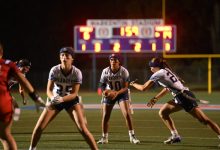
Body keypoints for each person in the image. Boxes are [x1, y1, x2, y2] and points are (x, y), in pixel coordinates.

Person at [130, 57, 220, 145]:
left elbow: (143, 88)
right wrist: (156, 98)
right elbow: (167, 89)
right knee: (163, 112)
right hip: (180, 96)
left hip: (184, 97)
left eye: (152, 66)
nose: (150, 68)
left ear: (157, 66)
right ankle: (175, 135)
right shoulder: (166, 70)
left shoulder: (159, 73)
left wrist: (133, 84)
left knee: (204, 120)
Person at [29, 47, 98, 150]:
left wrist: (62, 99)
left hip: (70, 100)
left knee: (83, 129)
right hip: (56, 99)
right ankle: (32, 148)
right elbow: (48, 90)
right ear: (59, 57)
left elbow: (74, 94)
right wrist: (53, 98)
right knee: (39, 127)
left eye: (67, 55)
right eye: (62, 55)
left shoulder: (76, 72)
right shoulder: (54, 70)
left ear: (72, 58)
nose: (64, 57)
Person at [0, 42, 45, 150]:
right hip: (3, 100)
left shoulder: (14, 68)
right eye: (26, 67)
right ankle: (15, 114)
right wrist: (36, 98)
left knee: (14, 105)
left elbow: (21, 86)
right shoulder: (9, 65)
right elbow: (24, 83)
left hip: (4, 96)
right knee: (5, 135)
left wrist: (24, 98)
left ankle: (16, 114)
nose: (27, 69)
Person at [97, 53, 140, 144]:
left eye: (115, 60)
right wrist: (105, 91)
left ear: (119, 62)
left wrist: (117, 93)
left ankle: (132, 136)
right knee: (105, 116)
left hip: (121, 93)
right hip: (110, 93)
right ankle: (104, 137)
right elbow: (102, 84)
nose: (113, 62)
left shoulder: (124, 71)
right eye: (111, 60)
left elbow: (125, 87)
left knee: (127, 114)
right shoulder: (105, 71)